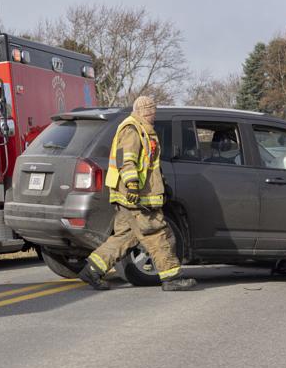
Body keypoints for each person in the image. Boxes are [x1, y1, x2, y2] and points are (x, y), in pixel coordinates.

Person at [78, 95, 197, 291]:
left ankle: (92, 269)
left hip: (134, 197)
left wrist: (162, 185)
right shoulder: (132, 130)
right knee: (158, 233)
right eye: (150, 111)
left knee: (126, 237)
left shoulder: (143, 129)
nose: (153, 115)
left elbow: (150, 165)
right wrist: (132, 185)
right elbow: (127, 160)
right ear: (142, 111)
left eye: (154, 111)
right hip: (136, 197)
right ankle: (172, 278)